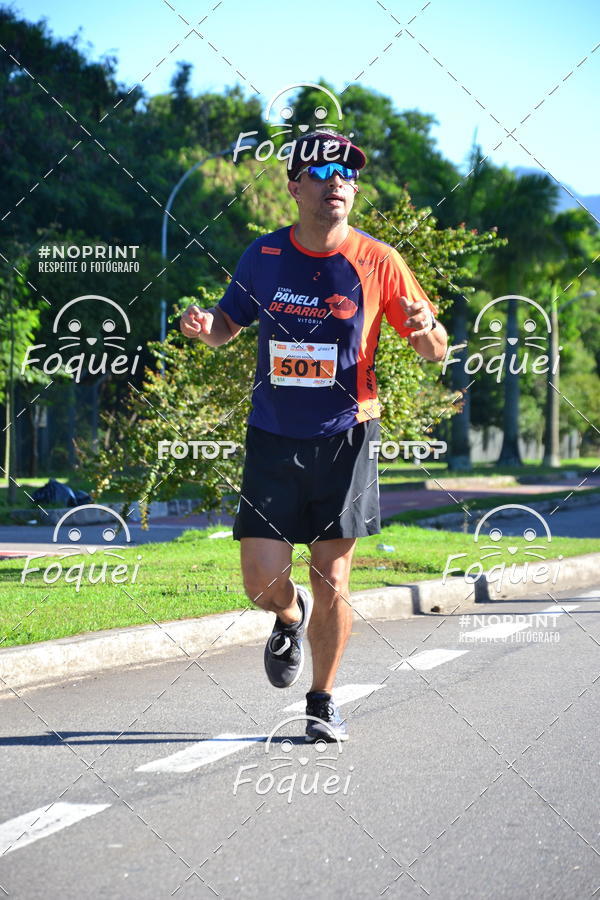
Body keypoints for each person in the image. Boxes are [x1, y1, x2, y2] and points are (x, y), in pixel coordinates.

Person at [180, 131, 448, 742]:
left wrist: (427, 326)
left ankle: (322, 701)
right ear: (294, 187)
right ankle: (288, 614)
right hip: (274, 435)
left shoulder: (379, 260)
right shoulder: (265, 255)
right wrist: (203, 326)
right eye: (322, 172)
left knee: (335, 577)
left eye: (347, 174)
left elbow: (435, 350)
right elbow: (227, 326)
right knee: (260, 582)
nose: (337, 182)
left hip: (346, 436)